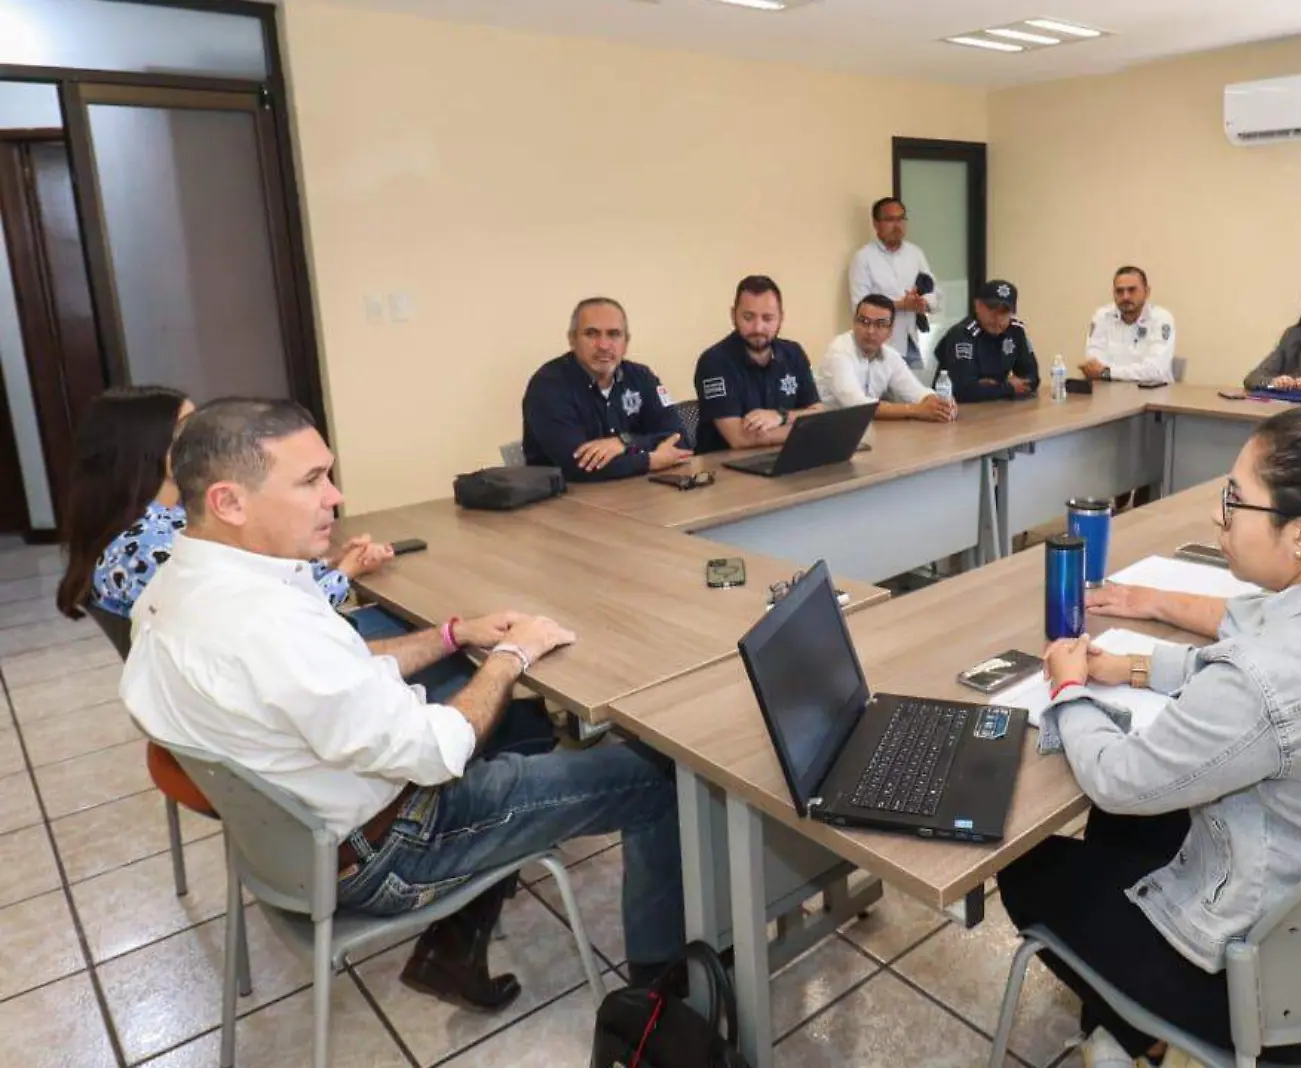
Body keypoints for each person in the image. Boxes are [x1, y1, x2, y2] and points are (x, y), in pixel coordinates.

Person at [118, 399, 685, 1013]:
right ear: (230, 502)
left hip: (296, 843)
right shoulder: (266, 624)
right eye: (310, 481)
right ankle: (663, 992)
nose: (334, 496)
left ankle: (457, 946)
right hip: (391, 851)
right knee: (659, 774)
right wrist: (512, 656)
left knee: (518, 724)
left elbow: (334, 679)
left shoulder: (175, 588)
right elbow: (435, 751)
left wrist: (454, 635)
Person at [1004, 405, 1301, 1068]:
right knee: (1129, 831)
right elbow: (1261, 667)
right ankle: (1122, 1029)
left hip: (1260, 992)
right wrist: (1135, 667)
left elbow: (1120, 778)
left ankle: (1138, 1032)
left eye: (1236, 499)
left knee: (1029, 866)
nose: (1219, 515)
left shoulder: (1265, 677)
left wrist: (1068, 691)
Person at [55, 386, 403, 639]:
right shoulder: (151, 550)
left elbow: (257, 582)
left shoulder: (162, 521)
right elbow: (268, 626)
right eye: (191, 430)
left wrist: (329, 563)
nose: (212, 436)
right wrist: (345, 571)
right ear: (145, 450)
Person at [521, 297, 692, 481]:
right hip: (566, 501)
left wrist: (625, 442)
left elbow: (680, 441)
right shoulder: (548, 386)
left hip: (635, 491)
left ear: (626, 342)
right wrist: (650, 460)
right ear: (572, 340)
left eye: (613, 334)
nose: (603, 345)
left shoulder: (642, 377)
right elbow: (577, 467)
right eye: (592, 334)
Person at [693, 275, 823, 452]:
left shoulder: (793, 353)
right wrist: (808, 430)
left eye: (768, 318)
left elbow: (818, 412)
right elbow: (739, 438)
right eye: (748, 317)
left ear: (781, 318)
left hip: (784, 457)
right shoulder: (714, 362)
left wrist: (781, 417)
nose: (758, 328)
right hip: (727, 470)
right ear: (733, 315)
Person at [817, 295, 956, 421]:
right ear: (854, 323)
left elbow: (916, 391)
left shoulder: (890, 356)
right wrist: (915, 410)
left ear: (890, 331)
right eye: (864, 322)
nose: (870, 331)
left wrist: (939, 404)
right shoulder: (839, 351)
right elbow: (857, 406)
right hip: (830, 431)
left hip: (871, 430)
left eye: (880, 324)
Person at [848, 197, 939, 369]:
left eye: (901, 219)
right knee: (883, 396)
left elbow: (934, 293)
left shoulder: (915, 253)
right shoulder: (864, 258)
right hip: (877, 347)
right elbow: (859, 306)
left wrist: (922, 303)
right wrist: (900, 304)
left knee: (916, 394)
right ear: (876, 224)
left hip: (910, 342)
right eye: (890, 219)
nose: (897, 225)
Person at [936, 279, 1040, 403]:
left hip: (996, 409)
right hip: (956, 412)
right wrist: (1008, 387)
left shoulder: (1015, 332)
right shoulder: (962, 334)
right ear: (977, 306)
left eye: (1004, 312)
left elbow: (1032, 378)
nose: (997, 317)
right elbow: (962, 390)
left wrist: (992, 387)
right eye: (992, 309)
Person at [1079, 266, 1176, 385]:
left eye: (1132, 290)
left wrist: (1106, 373)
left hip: (1152, 394)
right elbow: (1094, 364)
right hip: (1110, 392)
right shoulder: (1102, 317)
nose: (1125, 296)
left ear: (1147, 292)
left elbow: (1154, 371)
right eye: (1119, 291)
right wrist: (1106, 373)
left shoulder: (1161, 318)